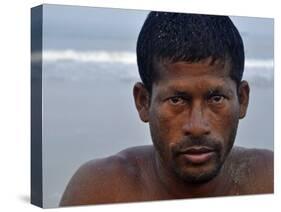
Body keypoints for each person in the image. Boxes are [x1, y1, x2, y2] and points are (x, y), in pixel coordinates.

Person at [60, 11, 273, 207]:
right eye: (177, 100)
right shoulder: (99, 192)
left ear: (242, 99)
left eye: (216, 98)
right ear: (143, 101)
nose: (197, 127)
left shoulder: (269, 181)